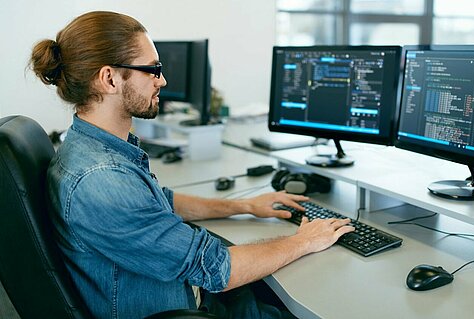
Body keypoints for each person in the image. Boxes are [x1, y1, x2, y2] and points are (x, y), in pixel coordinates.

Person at [29, 11, 354, 319]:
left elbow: (160, 202)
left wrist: (245, 205)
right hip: (180, 309)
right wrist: (304, 240)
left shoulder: (92, 147)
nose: (163, 80)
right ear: (110, 79)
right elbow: (218, 269)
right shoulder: (102, 180)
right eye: (153, 69)